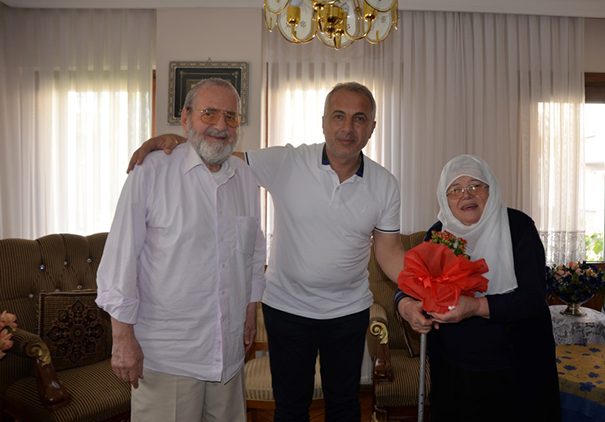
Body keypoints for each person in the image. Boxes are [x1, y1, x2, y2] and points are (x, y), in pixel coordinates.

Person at [127, 82, 406, 422]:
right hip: (287, 309)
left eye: (359, 118)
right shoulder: (287, 161)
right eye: (338, 116)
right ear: (323, 122)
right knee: (290, 407)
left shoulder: (385, 183)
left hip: (348, 311)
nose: (347, 127)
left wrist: (423, 290)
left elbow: (390, 252)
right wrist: (177, 140)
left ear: (372, 128)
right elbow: (221, 152)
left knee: (345, 405)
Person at [97, 78, 266, 422]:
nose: (221, 125)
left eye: (231, 116)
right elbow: (120, 260)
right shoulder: (151, 171)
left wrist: (250, 311)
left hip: (228, 353)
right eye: (209, 113)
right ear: (186, 119)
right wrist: (122, 338)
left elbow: (253, 254)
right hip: (169, 356)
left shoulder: (246, 178)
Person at [395, 154, 561, 421]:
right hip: (455, 369)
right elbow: (410, 283)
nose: (466, 195)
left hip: (516, 364)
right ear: (445, 198)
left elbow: (533, 298)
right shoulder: (438, 235)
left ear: (490, 189)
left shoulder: (518, 227)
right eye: (455, 189)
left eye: (475, 185)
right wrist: (405, 305)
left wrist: (474, 307)